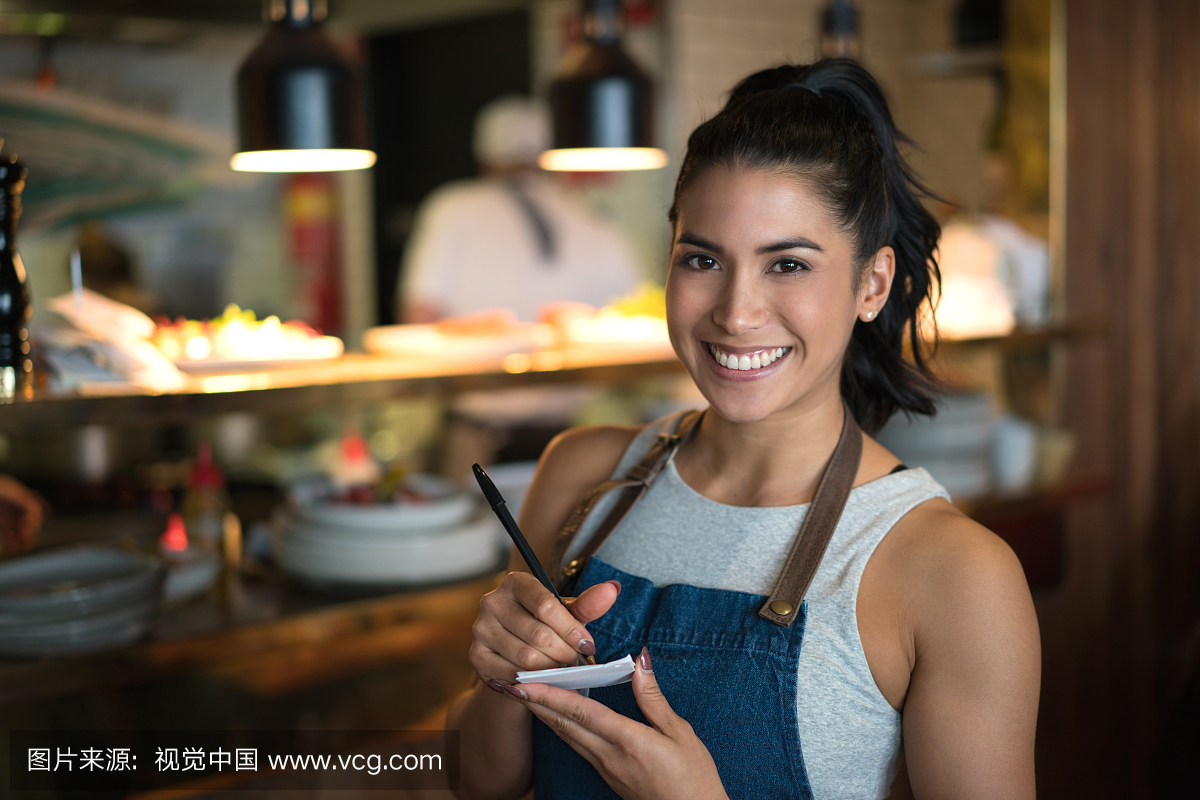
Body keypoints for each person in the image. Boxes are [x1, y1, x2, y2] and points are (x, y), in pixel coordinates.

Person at [446, 59, 1040, 800]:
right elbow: (480, 782)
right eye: (702, 259)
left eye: (787, 264)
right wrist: (503, 677)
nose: (735, 312)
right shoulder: (581, 476)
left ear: (872, 284)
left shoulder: (953, 574)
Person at [400, 96, 642, 324]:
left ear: (485, 159)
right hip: (588, 365)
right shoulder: (590, 212)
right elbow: (634, 306)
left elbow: (421, 313)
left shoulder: (450, 206)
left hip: (481, 366)